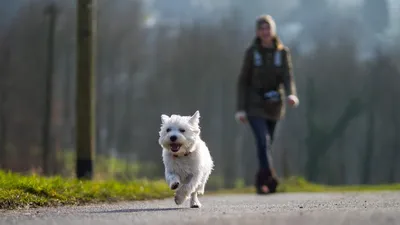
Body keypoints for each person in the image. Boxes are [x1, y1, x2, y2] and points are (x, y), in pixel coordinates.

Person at [235, 14, 299, 194]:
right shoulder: (251, 53)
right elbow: (243, 81)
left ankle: (260, 181)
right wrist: (240, 109)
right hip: (254, 105)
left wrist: (291, 95)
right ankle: (270, 181)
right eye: (262, 29)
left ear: (273, 31)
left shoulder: (282, 52)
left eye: (268, 28)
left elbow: (288, 76)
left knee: (266, 144)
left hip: (275, 105)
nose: (265, 32)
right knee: (263, 141)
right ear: (257, 32)